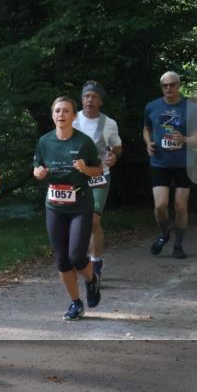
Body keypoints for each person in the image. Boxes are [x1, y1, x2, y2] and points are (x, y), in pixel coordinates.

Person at [33, 96, 104, 321]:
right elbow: (37, 168)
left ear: (74, 116)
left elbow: (99, 170)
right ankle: (75, 303)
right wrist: (40, 174)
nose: (61, 115)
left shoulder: (83, 142)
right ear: (52, 115)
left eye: (66, 111)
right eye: (57, 111)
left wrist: (85, 169)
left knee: (76, 256)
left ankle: (92, 280)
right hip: (54, 205)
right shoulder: (44, 141)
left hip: (79, 205)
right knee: (62, 260)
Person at [142, 71, 197, 259]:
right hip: (160, 162)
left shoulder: (191, 108)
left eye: (172, 85)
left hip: (184, 163)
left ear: (179, 86)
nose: (168, 88)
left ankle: (178, 245)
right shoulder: (152, 106)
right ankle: (165, 234)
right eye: (165, 85)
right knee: (160, 206)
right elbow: (146, 128)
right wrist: (148, 143)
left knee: (180, 206)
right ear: (161, 87)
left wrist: (184, 139)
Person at [73, 81, 123, 283]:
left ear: (100, 101)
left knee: (93, 220)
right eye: (86, 96)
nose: (89, 100)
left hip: (100, 176)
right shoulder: (72, 119)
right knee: (79, 221)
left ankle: (95, 262)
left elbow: (117, 147)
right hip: (75, 177)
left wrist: (114, 156)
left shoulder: (109, 123)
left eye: (94, 96)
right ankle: (83, 258)